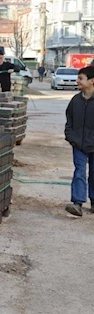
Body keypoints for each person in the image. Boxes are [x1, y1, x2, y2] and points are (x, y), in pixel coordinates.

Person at [63, 66, 94, 216]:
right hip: (79, 144)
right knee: (79, 172)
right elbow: (69, 120)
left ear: (92, 81)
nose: (78, 81)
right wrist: (71, 137)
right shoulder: (75, 100)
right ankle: (77, 203)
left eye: (81, 78)